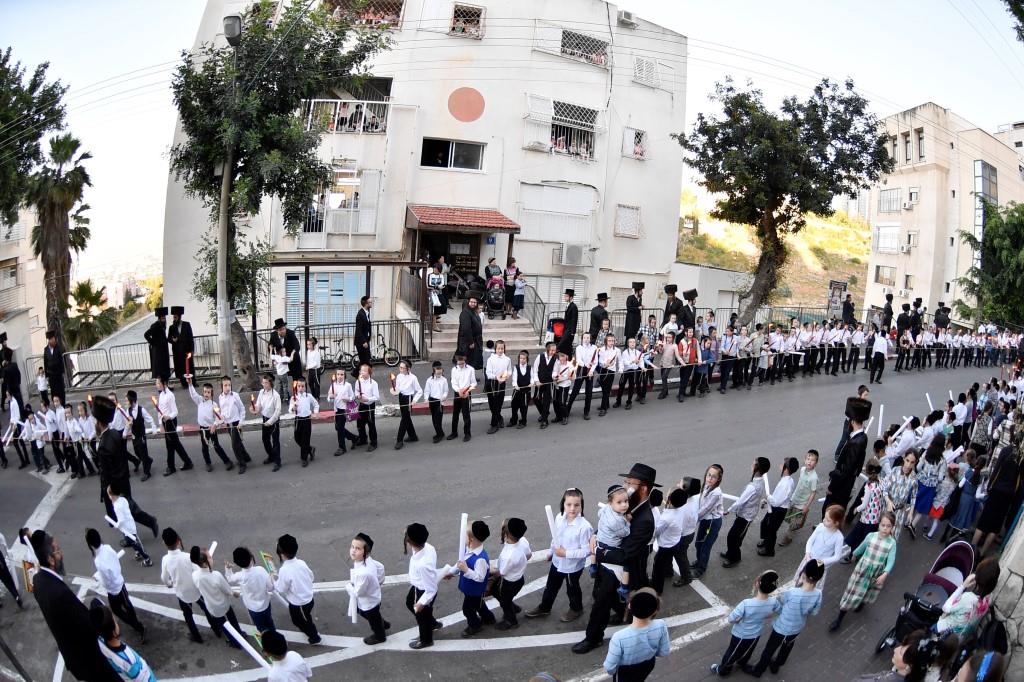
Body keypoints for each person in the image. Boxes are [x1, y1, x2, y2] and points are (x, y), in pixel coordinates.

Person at [576, 463, 659, 654]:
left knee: (601, 601)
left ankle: (593, 638)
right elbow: (608, 521)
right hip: (609, 562)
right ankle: (624, 614)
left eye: (630, 483)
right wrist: (596, 535)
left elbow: (625, 554)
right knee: (609, 597)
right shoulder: (625, 502)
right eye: (625, 482)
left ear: (643, 488)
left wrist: (598, 551)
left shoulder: (645, 520)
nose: (625, 486)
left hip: (622, 567)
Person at [29, 530, 122, 681]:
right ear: (50, 560)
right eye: (58, 551)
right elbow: (87, 626)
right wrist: (103, 616)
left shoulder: (38, 581)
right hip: (88, 659)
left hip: (72, 656)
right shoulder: (60, 594)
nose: (61, 554)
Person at [745, 559, 824, 678]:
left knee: (769, 649)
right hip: (797, 628)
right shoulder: (819, 594)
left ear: (803, 574)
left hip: (781, 628)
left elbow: (781, 601)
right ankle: (776, 665)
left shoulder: (792, 592)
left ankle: (758, 670)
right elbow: (814, 612)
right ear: (819, 578)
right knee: (787, 648)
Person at [526, 488, 592, 623]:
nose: (572, 508)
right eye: (569, 504)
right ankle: (545, 607)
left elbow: (587, 551)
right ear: (563, 504)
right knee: (551, 586)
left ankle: (576, 609)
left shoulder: (584, 527)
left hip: (572, 567)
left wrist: (565, 553)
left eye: (576, 505)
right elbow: (555, 537)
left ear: (581, 505)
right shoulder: (559, 518)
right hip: (557, 562)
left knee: (572, 590)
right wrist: (551, 552)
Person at [829, 511, 897, 632]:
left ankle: (861, 602)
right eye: (883, 525)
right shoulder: (871, 536)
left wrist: (885, 574)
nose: (885, 528)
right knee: (852, 591)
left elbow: (891, 561)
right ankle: (839, 618)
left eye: (888, 526)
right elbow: (861, 547)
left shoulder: (892, 543)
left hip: (876, 573)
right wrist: (854, 555)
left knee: (868, 590)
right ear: (879, 524)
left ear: (892, 527)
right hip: (862, 569)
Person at [710, 570, 780, 676]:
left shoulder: (746, 604)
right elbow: (778, 610)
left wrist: (738, 620)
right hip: (756, 634)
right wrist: (767, 615)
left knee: (732, 652)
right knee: (749, 650)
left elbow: (731, 619)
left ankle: (723, 670)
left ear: (758, 583)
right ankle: (742, 662)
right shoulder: (773, 601)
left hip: (741, 635)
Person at [85, 528, 147, 640]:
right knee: (127, 606)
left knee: (119, 609)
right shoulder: (107, 548)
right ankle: (136, 625)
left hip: (113, 589)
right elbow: (115, 564)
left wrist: (98, 579)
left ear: (91, 545)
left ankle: (138, 626)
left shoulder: (98, 561)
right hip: (119, 583)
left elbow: (106, 580)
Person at [603, 588, 670, 681]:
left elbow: (610, 668)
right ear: (655, 610)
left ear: (630, 605)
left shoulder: (619, 637)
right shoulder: (661, 625)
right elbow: (663, 652)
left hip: (625, 672)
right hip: (648, 666)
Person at [443, 519, 495, 637]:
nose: (462, 538)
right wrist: (451, 572)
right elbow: (460, 563)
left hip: (475, 590)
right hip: (470, 589)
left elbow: (480, 577)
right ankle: (488, 618)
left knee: (467, 609)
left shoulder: (480, 559)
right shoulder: (468, 549)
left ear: (471, 539)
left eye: (464, 536)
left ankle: (475, 625)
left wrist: (466, 570)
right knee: (479, 604)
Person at [822, 397, 870, 516]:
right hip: (848, 484)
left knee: (829, 512)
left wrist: (832, 487)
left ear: (852, 421)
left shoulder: (855, 442)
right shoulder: (863, 437)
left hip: (841, 488)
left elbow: (845, 470)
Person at [189, 545, 243, 649]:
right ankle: (239, 634)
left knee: (224, 625)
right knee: (232, 619)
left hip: (212, 607)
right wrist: (234, 593)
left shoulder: (195, 575)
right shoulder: (216, 575)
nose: (212, 558)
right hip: (224, 603)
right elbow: (227, 589)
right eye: (210, 557)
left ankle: (233, 642)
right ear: (205, 563)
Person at [88, 599, 155, 682]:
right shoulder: (129, 661)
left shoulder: (100, 641)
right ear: (114, 632)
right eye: (114, 620)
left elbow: (95, 604)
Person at [721, 457, 771, 567]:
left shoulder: (752, 487)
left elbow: (740, 501)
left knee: (734, 537)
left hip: (746, 517)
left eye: (754, 463)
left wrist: (728, 510)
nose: (752, 464)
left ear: (757, 468)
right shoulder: (760, 480)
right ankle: (730, 553)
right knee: (734, 536)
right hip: (745, 514)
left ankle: (734, 558)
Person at [274, 533, 321, 644]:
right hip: (308, 598)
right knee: (305, 617)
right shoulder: (301, 563)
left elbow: (281, 589)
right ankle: (311, 632)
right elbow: (311, 576)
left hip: (299, 604)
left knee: (301, 621)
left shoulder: (284, 570)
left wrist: (273, 580)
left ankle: (315, 637)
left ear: (281, 554)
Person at [936, 557, 999, 638]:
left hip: (944, 633)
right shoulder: (987, 601)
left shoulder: (968, 598)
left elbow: (945, 608)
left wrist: (963, 586)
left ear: (976, 577)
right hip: (960, 638)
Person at [650, 484, 696, 593]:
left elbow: (656, 531)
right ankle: (668, 572)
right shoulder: (681, 509)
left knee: (658, 565)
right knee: (667, 560)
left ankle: (657, 588)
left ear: (669, 500)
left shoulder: (666, 518)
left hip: (666, 545)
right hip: (675, 541)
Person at [347, 532, 390, 645]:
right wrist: (378, 583)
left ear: (366, 552)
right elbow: (380, 567)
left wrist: (349, 587)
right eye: (352, 547)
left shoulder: (363, 573)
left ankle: (380, 636)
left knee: (371, 618)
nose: (353, 551)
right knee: (373, 616)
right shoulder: (368, 560)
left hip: (368, 602)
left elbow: (358, 592)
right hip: (374, 597)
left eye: (358, 548)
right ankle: (382, 623)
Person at [405, 523, 441, 649]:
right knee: (410, 602)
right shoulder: (429, 547)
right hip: (420, 587)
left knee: (422, 616)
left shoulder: (422, 565)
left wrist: (422, 602)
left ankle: (426, 640)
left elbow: (431, 589)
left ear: (409, 542)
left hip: (423, 591)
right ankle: (432, 623)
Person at [225, 546, 276, 634]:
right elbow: (271, 587)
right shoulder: (261, 570)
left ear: (237, 563)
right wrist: (271, 577)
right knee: (269, 622)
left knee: (261, 627)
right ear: (251, 558)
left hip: (252, 608)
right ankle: (275, 635)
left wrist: (228, 569)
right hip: (265, 604)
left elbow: (229, 579)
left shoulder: (240, 576)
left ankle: (266, 639)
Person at [758, 457, 799, 557]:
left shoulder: (786, 484)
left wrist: (768, 497)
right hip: (775, 507)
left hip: (778, 510)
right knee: (765, 523)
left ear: (786, 468)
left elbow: (776, 502)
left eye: (783, 464)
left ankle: (769, 550)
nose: (780, 464)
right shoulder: (787, 480)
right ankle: (766, 541)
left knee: (771, 529)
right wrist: (769, 500)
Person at [495, 517, 532, 630]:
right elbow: (529, 555)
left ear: (506, 534)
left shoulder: (508, 555)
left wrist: (492, 572)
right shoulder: (523, 541)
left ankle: (511, 620)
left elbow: (501, 572)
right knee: (507, 598)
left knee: (504, 601)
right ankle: (514, 608)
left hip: (509, 583)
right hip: (519, 579)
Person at [107, 482, 155, 567]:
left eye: (109, 495)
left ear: (112, 496)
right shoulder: (122, 499)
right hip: (128, 526)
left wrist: (117, 525)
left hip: (128, 529)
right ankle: (138, 552)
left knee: (135, 543)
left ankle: (147, 559)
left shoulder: (117, 506)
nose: (109, 497)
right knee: (132, 542)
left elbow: (121, 519)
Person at [778, 450, 820, 548]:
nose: (809, 462)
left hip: (802, 504)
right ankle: (796, 526)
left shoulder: (814, 478)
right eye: (808, 459)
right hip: (794, 498)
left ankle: (788, 538)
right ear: (805, 459)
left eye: (812, 460)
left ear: (816, 463)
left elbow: (813, 493)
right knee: (789, 517)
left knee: (794, 524)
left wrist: (806, 506)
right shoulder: (802, 469)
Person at [155, 376, 194, 476]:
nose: (156, 385)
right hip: (165, 422)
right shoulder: (161, 394)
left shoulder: (170, 395)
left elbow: (175, 412)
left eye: (158, 383)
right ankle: (187, 462)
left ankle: (172, 467)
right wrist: (160, 424)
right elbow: (159, 411)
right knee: (174, 444)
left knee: (171, 444)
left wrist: (168, 417)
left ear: (164, 384)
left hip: (170, 422)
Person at [692, 464, 724, 578]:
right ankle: (699, 561)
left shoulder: (716, 493)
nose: (710, 478)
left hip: (712, 523)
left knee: (705, 546)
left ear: (718, 479)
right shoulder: (706, 485)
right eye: (708, 475)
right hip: (705, 520)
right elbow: (700, 502)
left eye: (713, 477)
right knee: (698, 544)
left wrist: (692, 521)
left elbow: (706, 509)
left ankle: (701, 568)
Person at [123, 390, 155, 482]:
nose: (126, 402)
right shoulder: (128, 411)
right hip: (134, 436)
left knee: (143, 453)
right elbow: (128, 424)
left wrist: (153, 428)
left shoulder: (141, 410)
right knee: (137, 452)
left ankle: (147, 472)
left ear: (132, 400)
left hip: (141, 436)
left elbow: (150, 419)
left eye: (127, 401)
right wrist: (124, 433)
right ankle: (148, 460)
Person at [253, 373, 282, 471]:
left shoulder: (276, 395)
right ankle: (271, 456)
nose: (263, 384)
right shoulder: (262, 392)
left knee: (275, 441)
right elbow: (259, 405)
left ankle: (277, 461)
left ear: (271, 383)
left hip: (273, 420)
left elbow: (278, 411)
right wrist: (255, 409)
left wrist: (270, 422)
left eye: (266, 383)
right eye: (263, 382)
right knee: (265, 439)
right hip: (265, 418)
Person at [289, 376, 319, 466]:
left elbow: (316, 404)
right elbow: (290, 410)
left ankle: (304, 458)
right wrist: (293, 408)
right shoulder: (294, 398)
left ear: (305, 387)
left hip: (307, 419)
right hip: (298, 419)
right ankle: (310, 449)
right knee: (297, 438)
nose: (301, 388)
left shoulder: (308, 396)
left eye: (302, 386)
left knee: (305, 439)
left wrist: (315, 412)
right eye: (299, 386)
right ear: (296, 387)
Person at [326, 371, 358, 455]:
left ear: (344, 376)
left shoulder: (348, 385)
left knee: (340, 428)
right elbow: (329, 399)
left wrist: (348, 399)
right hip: (337, 409)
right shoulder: (333, 385)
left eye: (342, 374)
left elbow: (352, 397)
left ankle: (342, 447)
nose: (340, 376)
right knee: (337, 427)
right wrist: (331, 397)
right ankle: (354, 438)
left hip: (344, 410)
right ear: (336, 375)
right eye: (338, 374)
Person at [485, 340, 511, 433]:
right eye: (498, 348)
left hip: (501, 383)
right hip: (492, 384)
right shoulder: (490, 359)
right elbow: (488, 373)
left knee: (498, 404)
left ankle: (494, 425)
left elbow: (509, 371)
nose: (500, 350)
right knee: (492, 405)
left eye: (502, 348)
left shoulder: (507, 359)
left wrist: (506, 376)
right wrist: (497, 377)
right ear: (495, 349)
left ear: (504, 349)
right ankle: (499, 418)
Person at [568, 333, 597, 420]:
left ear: (590, 339)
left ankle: (586, 412)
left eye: (588, 338)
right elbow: (579, 360)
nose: (586, 339)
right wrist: (585, 365)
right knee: (575, 390)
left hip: (590, 371)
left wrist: (591, 370)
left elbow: (595, 361)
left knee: (589, 392)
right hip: (581, 369)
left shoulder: (594, 348)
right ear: (582, 339)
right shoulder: (578, 348)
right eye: (584, 338)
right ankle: (567, 409)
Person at [449, 353, 475, 441]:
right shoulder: (454, 370)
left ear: (465, 360)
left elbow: (473, 383)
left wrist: (467, 391)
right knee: (455, 414)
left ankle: (467, 434)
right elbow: (453, 382)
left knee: (466, 415)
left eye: (462, 363)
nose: (460, 365)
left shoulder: (471, 369)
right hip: (457, 393)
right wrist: (458, 390)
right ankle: (454, 433)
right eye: (459, 363)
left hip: (467, 393)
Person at [353, 364, 379, 451]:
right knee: (360, 423)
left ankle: (374, 443)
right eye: (361, 370)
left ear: (369, 372)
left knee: (371, 424)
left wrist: (367, 399)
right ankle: (363, 439)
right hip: (362, 404)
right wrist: (357, 396)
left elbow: (376, 397)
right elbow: (356, 391)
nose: (361, 372)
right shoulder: (358, 381)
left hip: (370, 405)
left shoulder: (373, 383)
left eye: (364, 371)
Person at [269, 318, 304, 384]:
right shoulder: (273, 335)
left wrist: (292, 354)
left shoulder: (291, 333)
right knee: (283, 381)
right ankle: (285, 391)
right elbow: (270, 346)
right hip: (282, 363)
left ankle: (299, 390)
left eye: (284, 329)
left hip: (293, 360)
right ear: (277, 330)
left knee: (297, 380)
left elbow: (297, 345)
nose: (283, 331)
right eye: (280, 330)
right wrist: (274, 359)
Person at [168, 305, 194, 389]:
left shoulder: (187, 324)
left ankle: (193, 382)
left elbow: (191, 338)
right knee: (180, 368)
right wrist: (173, 340)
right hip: (177, 352)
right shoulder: (171, 327)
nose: (174, 319)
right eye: (173, 317)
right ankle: (184, 383)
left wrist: (192, 350)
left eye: (175, 317)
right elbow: (169, 338)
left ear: (179, 317)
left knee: (189, 366)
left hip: (187, 350)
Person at [143, 308, 171, 384]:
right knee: (160, 370)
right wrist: (154, 343)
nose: (164, 320)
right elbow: (146, 335)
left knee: (165, 369)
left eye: (164, 318)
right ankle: (162, 387)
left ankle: (166, 386)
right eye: (162, 318)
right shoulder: (155, 326)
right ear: (159, 318)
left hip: (164, 351)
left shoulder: (163, 326)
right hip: (158, 352)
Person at [424, 361, 449, 442]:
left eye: (440, 373)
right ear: (433, 370)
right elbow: (427, 391)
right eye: (438, 373)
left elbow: (446, 391)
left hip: (440, 402)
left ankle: (439, 435)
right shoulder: (429, 380)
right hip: (432, 401)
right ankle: (440, 433)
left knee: (438, 420)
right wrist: (426, 399)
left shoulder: (444, 380)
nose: (439, 374)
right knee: (434, 420)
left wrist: (444, 397)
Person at [457, 294, 484, 369]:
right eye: (471, 302)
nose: (473, 304)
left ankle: (471, 374)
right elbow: (466, 329)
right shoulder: (465, 313)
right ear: (468, 302)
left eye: (475, 302)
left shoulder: (474, 311)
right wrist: (471, 342)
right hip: (468, 342)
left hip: (476, 340)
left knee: (473, 361)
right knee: (468, 361)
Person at [43, 329, 67, 406]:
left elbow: (61, 361)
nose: (53, 340)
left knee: (61, 391)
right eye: (51, 339)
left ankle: (63, 405)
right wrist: (46, 375)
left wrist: (63, 372)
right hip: (51, 375)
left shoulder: (58, 348)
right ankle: (56, 406)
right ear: (49, 340)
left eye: (54, 339)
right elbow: (45, 362)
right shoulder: (46, 350)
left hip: (58, 374)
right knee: (54, 392)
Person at [354, 296, 373, 377]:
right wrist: (364, 341)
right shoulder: (360, 314)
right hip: (361, 342)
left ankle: (357, 373)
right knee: (364, 360)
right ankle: (357, 373)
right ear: (366, 304)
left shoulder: (366, 313)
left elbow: (367, 327)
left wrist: (369, 337)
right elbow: (358, 330)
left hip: (365, 340)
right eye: (370, 302)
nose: (371, 303)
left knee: (365, 359)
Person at [559, 288, 578, 356]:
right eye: (565, 296)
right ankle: (569, 359)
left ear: (571, 297)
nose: (565, 297)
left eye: (566, 296)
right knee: (568, 346)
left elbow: (574, 319)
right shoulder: (568, 305)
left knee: (561, 344)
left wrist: (573, 331)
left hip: (570, 330)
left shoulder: (573, 306)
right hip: (566, 328)